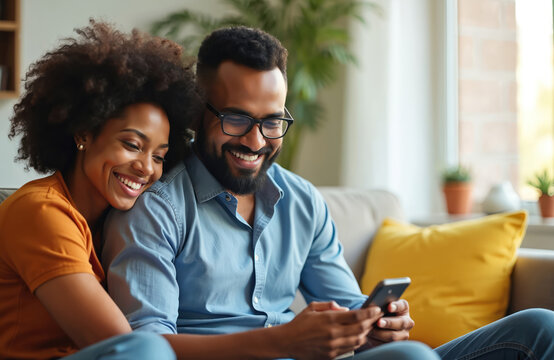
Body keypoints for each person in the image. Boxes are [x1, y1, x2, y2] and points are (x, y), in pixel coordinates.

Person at [102, 26, 554, 360]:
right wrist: (283, 341)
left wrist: (376, 324)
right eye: (237, 119)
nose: (257, 141)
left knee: (539, 327)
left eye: (272, 121)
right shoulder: (155, 209)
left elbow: (350, 305)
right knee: (412, 359)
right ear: (200, 111)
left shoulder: (301, 201)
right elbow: (148, 348)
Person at [0, 20, 201, 359]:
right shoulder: (41, 210)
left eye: (159, 156)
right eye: (131, 144)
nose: (146, 168)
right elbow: (123, 346)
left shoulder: (119, 220)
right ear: (84, 133)